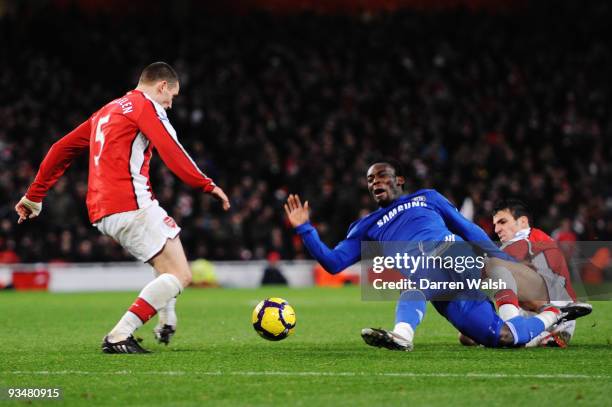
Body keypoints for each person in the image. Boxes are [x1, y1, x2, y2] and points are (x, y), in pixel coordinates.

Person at [15, 62, 230, 353]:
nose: (171, 103)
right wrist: (207, 184)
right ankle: (119, 335)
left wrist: (33, 196)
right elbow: (172, 148)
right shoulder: (147, 106)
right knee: (181, 275)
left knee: (170, 260)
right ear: (162, 86)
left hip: (104, 207)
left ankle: (166, 318)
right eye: (172, 96)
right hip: (130, 202)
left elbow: (60, 149)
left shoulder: (107, 110)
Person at [284, 161, 591, 350]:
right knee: (501, 338)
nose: (375, 183)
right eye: (370, 180)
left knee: (422, 270)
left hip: (452, 255)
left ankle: (403, 334)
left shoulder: (426, 198)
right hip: (439, 288)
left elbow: (468, 229)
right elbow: (334, 263)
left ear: (399, 180)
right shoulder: (365, 227)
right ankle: (554, 315)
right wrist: (305, 229)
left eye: (381, 176)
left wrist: (502, 259)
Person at [492, 199, 577, 347]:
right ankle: (537, 337)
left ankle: (516, 332)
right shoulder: (535, 238)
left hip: (552, 315)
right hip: (552, 316)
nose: (497, 229)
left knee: (498, 269)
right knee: (466, 337)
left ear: (523, 222)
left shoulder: (524, 243)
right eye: (495, 224)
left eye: (503, 222)